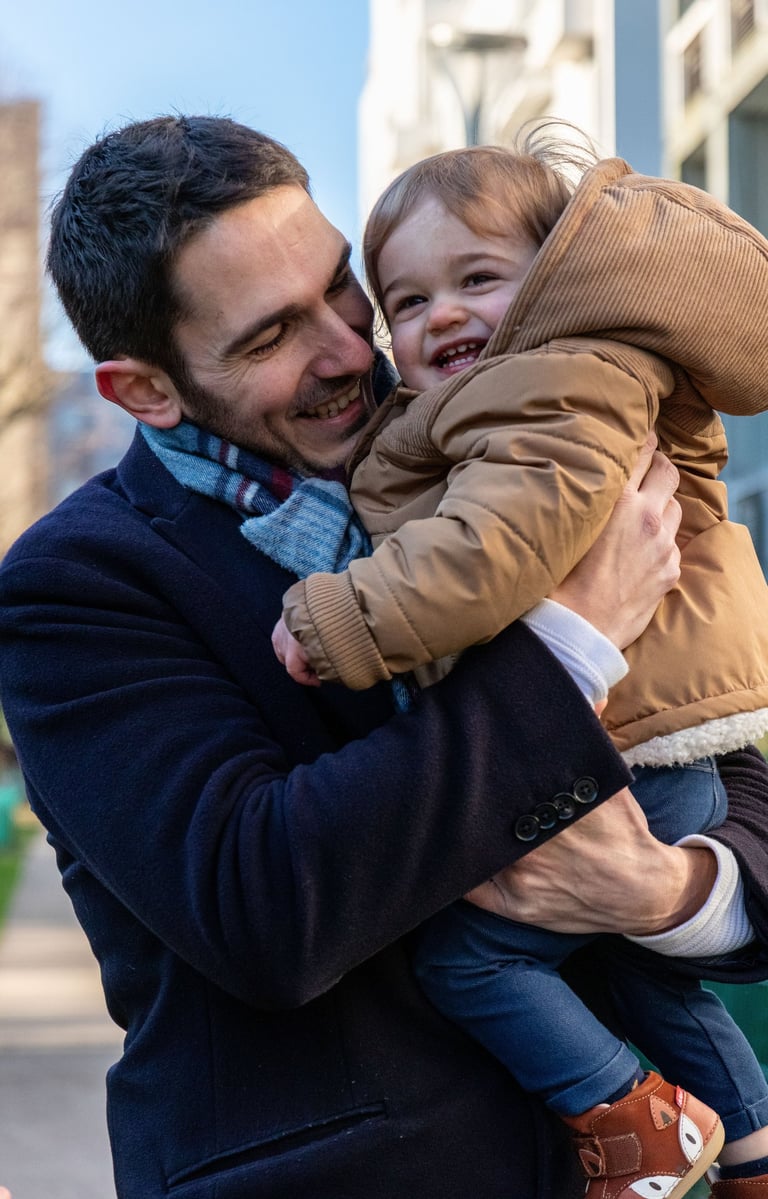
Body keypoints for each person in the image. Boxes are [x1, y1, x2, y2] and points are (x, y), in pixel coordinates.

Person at [0, 116, 767, 1199]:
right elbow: (261, 901)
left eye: (344, 288)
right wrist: (570, 641)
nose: (354, 350)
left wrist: (676, 890)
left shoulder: (492, 441)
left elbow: (723, 748)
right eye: (272, 337)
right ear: (144, 391)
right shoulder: (80, 584)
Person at [271, 138, 768, 1196]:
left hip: (630, 739)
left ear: (550, 281)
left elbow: (495, 549)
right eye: (406, 299)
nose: (440, 314)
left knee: (475, 957)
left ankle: (633, 1119)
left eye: (479, 279)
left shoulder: (556, 383)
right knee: (633, 965)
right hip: (644, 734)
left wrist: (341, 619)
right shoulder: (497, 398)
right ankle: (753, 1144)